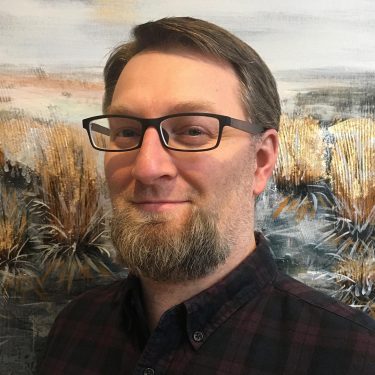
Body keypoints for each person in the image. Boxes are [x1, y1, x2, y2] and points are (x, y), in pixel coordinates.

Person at [39, 17, 375, 374]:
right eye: (125, 132)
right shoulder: (74, 329)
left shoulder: (351, 356)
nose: (147, 167)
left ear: (260, 161)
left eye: (193, 131)